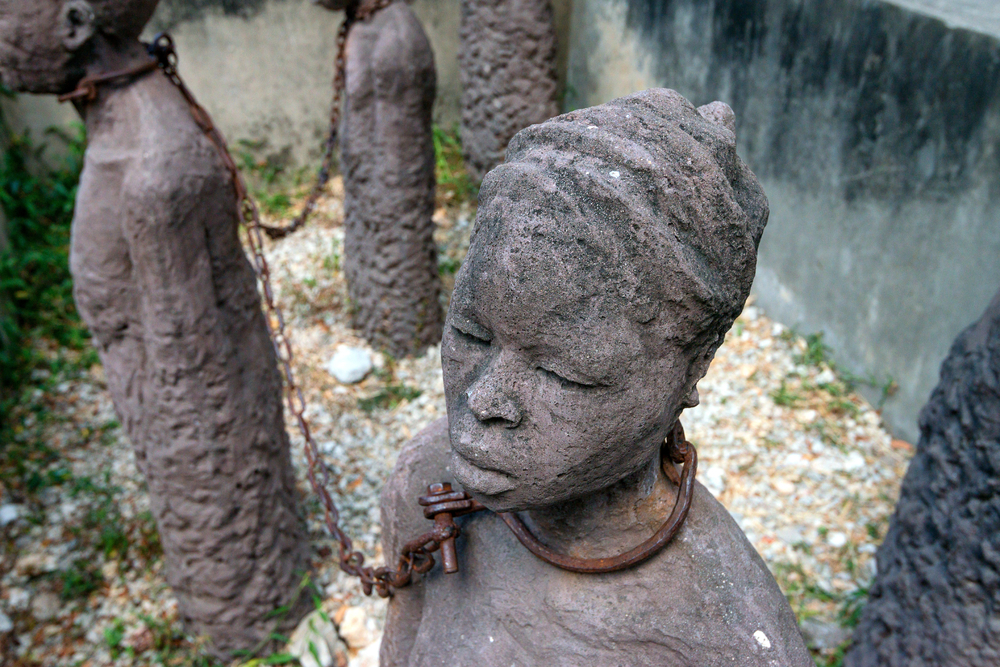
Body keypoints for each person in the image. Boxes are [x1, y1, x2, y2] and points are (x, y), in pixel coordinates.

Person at [379, 88, 813, 667]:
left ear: (692, 369)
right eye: (471, 335)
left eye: (563, 373)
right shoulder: (427, 488)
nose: (484, 399)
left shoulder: (721, 637)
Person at [0, 0, 310, 655]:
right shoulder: (127, 137)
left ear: (75, 25)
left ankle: (248, 614)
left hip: (210, 499)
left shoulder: (152, 170)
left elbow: (199, 390)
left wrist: (223, 571)